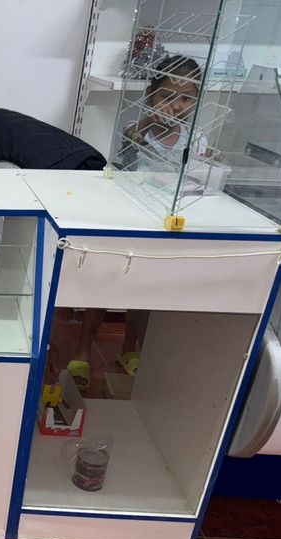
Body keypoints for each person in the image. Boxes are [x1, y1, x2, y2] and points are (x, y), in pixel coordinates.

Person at [68, 55, 207, 390]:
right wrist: (142, 129)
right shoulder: (137, 127)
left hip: (165, 222)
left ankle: (129, 348)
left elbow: (198, 174)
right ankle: (83, 350)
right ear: (150, 95)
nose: (176, 106)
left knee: (144, 292)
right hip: (128, 216)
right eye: (167, 96)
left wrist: (210, 160)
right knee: (104, 284)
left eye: (186, 98)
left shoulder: (194, 138)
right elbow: (123, 155)